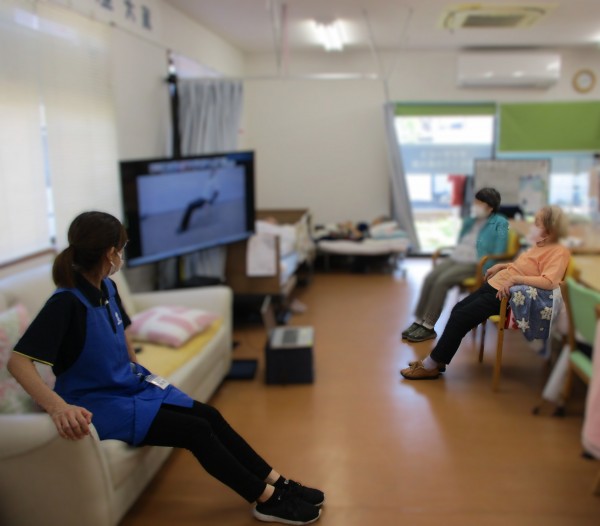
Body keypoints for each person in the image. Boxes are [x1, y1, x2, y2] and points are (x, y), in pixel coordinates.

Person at [7, 211, 324, 525]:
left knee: (209, 415)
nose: (122, 255)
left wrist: (136, 369)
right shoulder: (65, 302)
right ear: (110, 253)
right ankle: (266, 500)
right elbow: (18, 361)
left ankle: (278, 481)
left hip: (127, 386)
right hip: (97, 403)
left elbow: (121, 331)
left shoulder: (106, 287)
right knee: (195, 431)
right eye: (122, 248)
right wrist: (59, 408)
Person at [401, 204, 570, 380]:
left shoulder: (558, 252)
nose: (532, 227)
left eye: (537, 223)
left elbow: (549, 282)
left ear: (550, 229)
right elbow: (525, 267)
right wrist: (503, 266)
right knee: (458, 309)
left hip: (505, 296)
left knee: (461, 317)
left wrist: (515, 279)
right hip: (495, 285)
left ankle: (431, 365)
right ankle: (438, 360)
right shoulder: (540, 245)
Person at [402, 187, 509, 343]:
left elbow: (500, 251)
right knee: (430, 278)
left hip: (475, 263)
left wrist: (486, 270)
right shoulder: (472, 221)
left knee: (441, 281)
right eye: (475, 202)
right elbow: (461, 241)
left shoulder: (500, 222)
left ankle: (429, 325)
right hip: (457, 257)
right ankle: (419, 321)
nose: (475, 206)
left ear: (490, 207)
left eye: (479, 203)